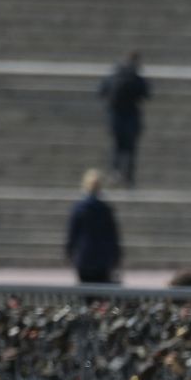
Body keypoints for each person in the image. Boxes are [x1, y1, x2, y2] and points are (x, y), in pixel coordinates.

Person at [99, 51, 151, 187]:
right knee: (130, 149)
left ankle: (114, 173)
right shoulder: (136, 77)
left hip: (115, 117)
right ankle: (129, 177)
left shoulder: (114, 75)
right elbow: (147, 95)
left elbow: (100, 91)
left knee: (116, 147)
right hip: (132, 117)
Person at [65, 169, 123, 285]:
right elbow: (113, 236)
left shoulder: (79, 209)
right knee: (101, 298)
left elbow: (72, 234)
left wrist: (69, 252)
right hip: (103, 259)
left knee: (86, 296)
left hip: (84, 258)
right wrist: (116, 257)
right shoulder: (105, 209)